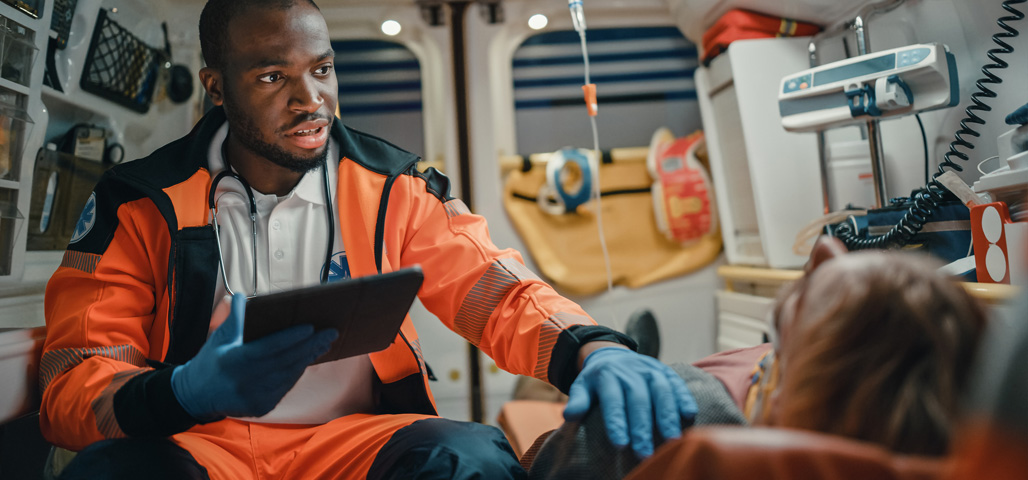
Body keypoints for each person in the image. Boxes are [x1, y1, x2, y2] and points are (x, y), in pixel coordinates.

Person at [38, 1, 696, 479]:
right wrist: (183, 393)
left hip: (350, 440)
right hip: (199, 443)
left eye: (321, 70)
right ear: (217, 87)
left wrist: (593, 351)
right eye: (273, 77)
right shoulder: (138, 201)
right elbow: (74, 380)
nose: (311, 100)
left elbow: (497, 292)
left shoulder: (395, 185)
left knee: (473, 461)